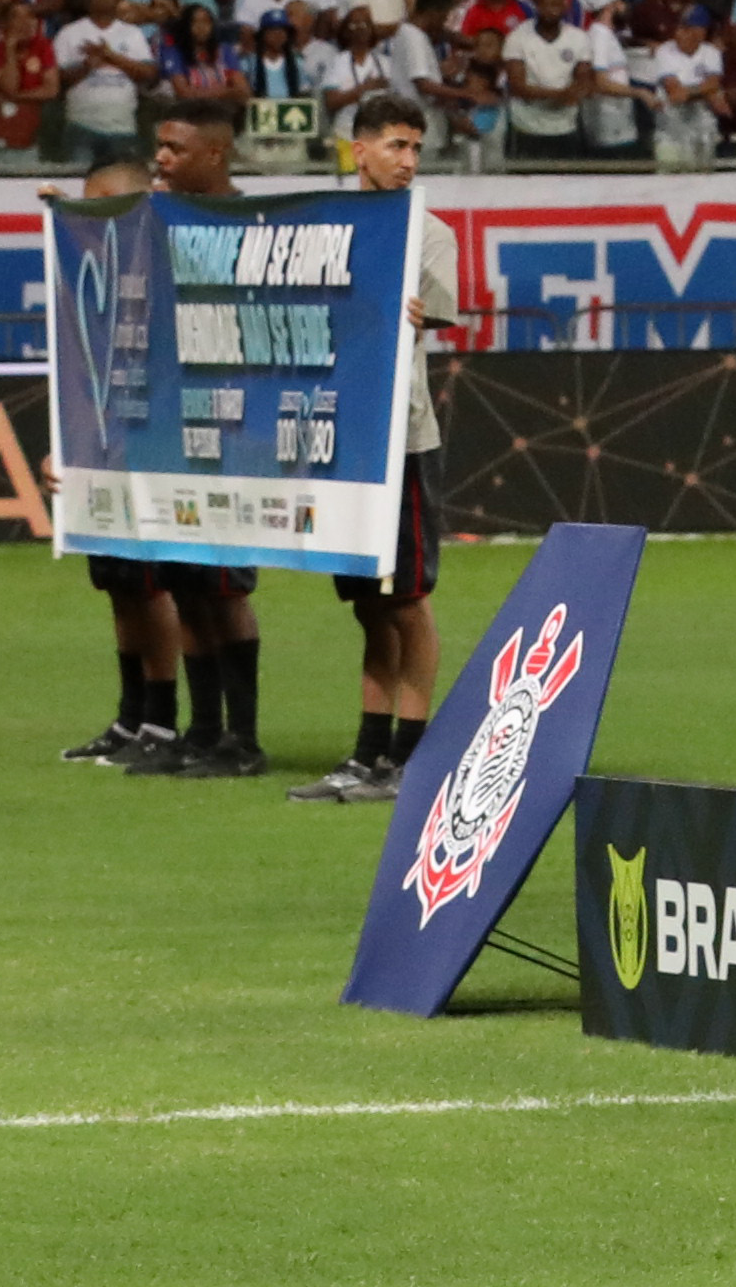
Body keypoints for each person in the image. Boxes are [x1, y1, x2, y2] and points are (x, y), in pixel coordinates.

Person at [74, 86, 271, 777]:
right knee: (187, 583)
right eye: (158, 145)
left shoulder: (256, 226)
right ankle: (201, 728)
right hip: (162, 428)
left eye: (174, 148)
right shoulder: (156, 221)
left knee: (224, 588)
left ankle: (240, 738)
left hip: (226, 428)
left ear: (215, 153)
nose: (160, 158)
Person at [296, 88, 461, 805]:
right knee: (369, 605)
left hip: (401, 439)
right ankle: (368, 754)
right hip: (344, 439)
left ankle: (412, 759)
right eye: (396, 145)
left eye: (416, 148)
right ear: (356, 148)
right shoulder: (321, 225)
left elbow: (436, 320)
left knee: (408, 600)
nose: (408, 160)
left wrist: (419, 317)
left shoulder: (429, 233)